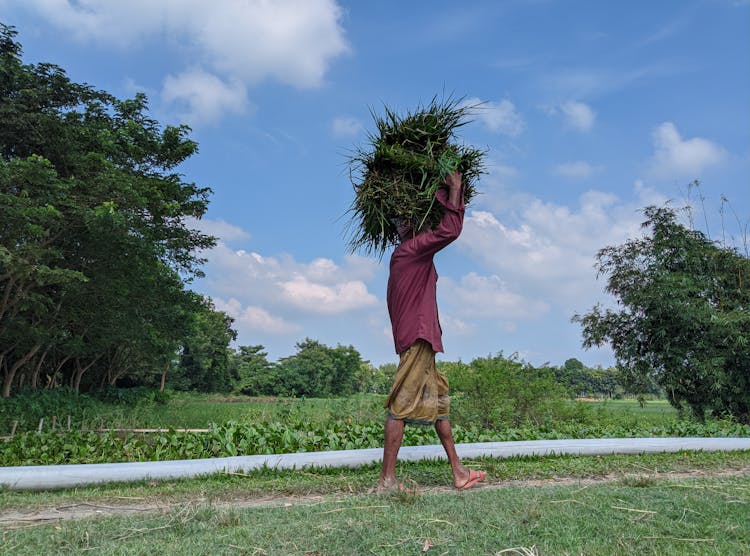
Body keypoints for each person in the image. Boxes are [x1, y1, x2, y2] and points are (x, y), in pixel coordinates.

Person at [378, 170, 486, 492]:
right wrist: (454, 189)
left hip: (422, 339)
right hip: (418, 338)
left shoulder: (405, 256)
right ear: (409, 228)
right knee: (400, 404)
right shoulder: (410, 251)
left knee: (439, 405)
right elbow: (449, 230)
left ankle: (458, 473)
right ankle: (387, 481)